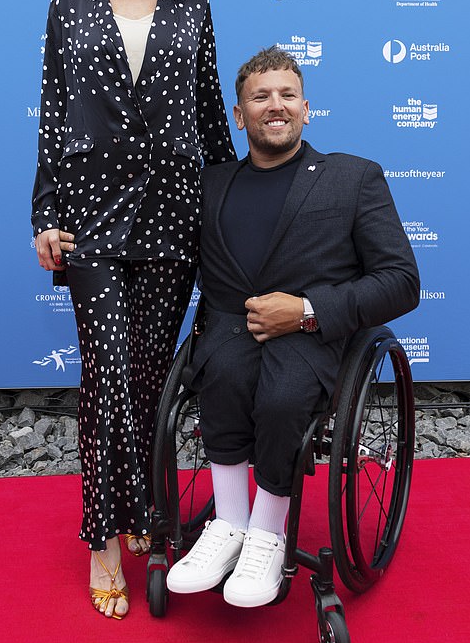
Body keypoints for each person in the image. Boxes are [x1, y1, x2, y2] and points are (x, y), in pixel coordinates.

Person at [31, 0, 235, 619]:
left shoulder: (192, 5)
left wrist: (235, 205)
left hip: (174, 215)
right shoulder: (71, 3)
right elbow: (52, 114)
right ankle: (101, 538)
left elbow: (210, 112)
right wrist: (44, 212)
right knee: (107, 373)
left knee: (151, 382)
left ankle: (152, 508)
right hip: (89, 213)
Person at [165, 47, 420, 608]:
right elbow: (157, 240)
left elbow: (402, 281)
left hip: (312, 337)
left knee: (283, 397)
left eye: (286, 95)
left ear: (307, 109)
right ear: (239, 115)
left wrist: (306, 309)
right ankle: (228, 523)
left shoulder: (354, 177)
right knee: (222, 374)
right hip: (232, 332)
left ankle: (267, 532)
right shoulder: (211, 184)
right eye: (260, 97)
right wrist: (70, 239)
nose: (274, 106)